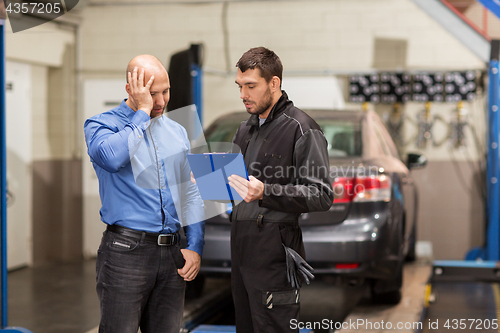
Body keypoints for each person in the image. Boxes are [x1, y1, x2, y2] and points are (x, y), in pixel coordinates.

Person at [84, 54, 205, 333]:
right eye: (152, 94)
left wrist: (195, 245)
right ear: (131, 89)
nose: (161, 102)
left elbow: (189, 191)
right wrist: (142, 113)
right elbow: (112, 158)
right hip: (127, 253)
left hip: (173, 252)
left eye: (166, 91)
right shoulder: (101, 125)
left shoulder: (177, 130)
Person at [228, 47, 334, 333]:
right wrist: (210, 181)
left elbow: (322, 195)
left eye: (251, 86)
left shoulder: (302, 129)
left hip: (275, 252)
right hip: (241, 249)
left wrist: (266, 191)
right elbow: (240, 189)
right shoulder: (244, 129)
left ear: (274, 83)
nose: (243, 95)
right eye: (240, 86)